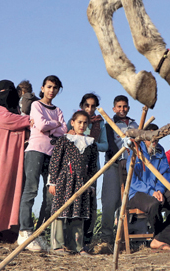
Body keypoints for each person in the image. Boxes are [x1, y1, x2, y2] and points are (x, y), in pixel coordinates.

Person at [126, 123, 170, 251]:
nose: (154, 140)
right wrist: (151, 191)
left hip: (158, 191)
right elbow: (133, 180)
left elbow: (165, 174)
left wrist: (160, 190)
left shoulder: (160, 152)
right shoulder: (136, 151)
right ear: (145, 137)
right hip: (138, 193)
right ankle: (159, 236)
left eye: (157, 137)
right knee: (154, 204)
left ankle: (162, 238)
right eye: (151, 137)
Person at [17, 75, 64, 252]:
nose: (52, 90)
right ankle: (25, 231)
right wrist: (55, 124)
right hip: (35, 150)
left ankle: (39, 231)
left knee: (51, 193)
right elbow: (43, 126)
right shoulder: (36, 105)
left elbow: (63, 130)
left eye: (55, 88)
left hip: (53, 154)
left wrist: (51, 124)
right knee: (31, 190)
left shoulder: (58, 109)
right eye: (49, 86)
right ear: (42, 88)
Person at [0, 80, 30, 243]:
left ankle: (8, 231)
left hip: (16, 159)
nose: (6, 94)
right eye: (3, 91)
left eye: (9, 90)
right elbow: (10, 121)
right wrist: (30, 120)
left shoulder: (18, 110)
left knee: (14, 192)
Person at [48, 110, 99, 255]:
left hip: (81, 183)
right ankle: (57, 246)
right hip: (64, 180)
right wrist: (52, 182)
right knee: (59, 211)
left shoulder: (91, 144)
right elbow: (55, 162)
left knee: (78, 212)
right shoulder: (64, 140)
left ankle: (76, 246)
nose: (82, 125)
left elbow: (93, 167)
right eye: (79, 122)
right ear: (73, 123)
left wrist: (90, 184)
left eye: (85, 123)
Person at [98, 95, 137, 252]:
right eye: (119, 106)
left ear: (128, 107)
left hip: (132, 165)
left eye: (125, 106)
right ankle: (106, 238)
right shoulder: (109, 124)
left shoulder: (135, 124)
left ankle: (124, 238)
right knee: (110, 201)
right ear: (114, 108)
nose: (122, 109)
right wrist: (118, 158)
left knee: (128, 201)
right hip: (114, 163)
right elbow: (109, 144)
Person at [69, 92, 106, 250]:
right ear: (81, 106)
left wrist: (89, 143)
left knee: (90, 204)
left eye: (93, 106)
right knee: (73, 202)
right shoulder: (76, 122)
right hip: (73, 170)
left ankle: (87, 240)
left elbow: (105, 145)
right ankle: (71, 241)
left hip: (92, 170)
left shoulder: (100, 124)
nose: (90, 109)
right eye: (87, 106)